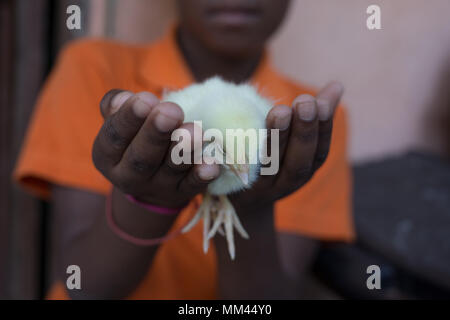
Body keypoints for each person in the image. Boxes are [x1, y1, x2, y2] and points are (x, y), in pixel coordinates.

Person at [13, 0, 353, 299]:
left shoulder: (306, 127)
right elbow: (84, 286)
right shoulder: (93, 68)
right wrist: (150, 201)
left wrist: (250, 206)